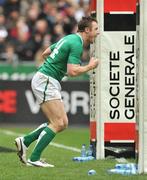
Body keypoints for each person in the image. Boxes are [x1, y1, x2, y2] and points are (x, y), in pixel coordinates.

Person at [15, 16, 99, 167]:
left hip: (45, 78)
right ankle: (34, 158)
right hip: (47, 80)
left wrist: (58, 68)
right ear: (87, 30)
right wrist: (90, 66)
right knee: (58, 122)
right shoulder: (77, 44)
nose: (98, 33)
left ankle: (25, 141)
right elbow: (73, 72)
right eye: (96, 29)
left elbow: (45, 53)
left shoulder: (69, 38)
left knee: (62, 123)